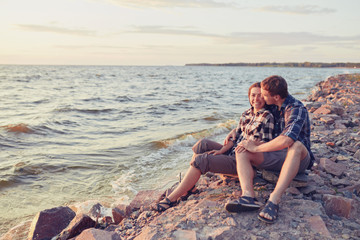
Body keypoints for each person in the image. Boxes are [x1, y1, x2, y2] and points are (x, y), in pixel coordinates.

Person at [153, 82, 275, 212]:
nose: (256, 99)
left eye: (260, 95)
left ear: (266, 97)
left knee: (202, 160)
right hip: (231, 152)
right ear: (249, 97)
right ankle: (190, 188)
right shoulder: (246, 113)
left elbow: (264, 146)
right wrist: (222, 149)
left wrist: (247, 146)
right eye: (253, 95)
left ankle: (170, 199)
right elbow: (235, 137)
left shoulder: (267, 117)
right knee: (202, 144)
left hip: (243, 161)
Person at [225, 75, 314, 224]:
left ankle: (274, 200)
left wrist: (257, 148)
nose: (262, 97)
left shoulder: (296, 109)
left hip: (299, 159)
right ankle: (248, 196)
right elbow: (251, 115)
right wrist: (236, 130)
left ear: (276, 96)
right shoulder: (273, 105)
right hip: (277, 155)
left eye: (264, 95)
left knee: (296, 145)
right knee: (243, 148)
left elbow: (287, 140)